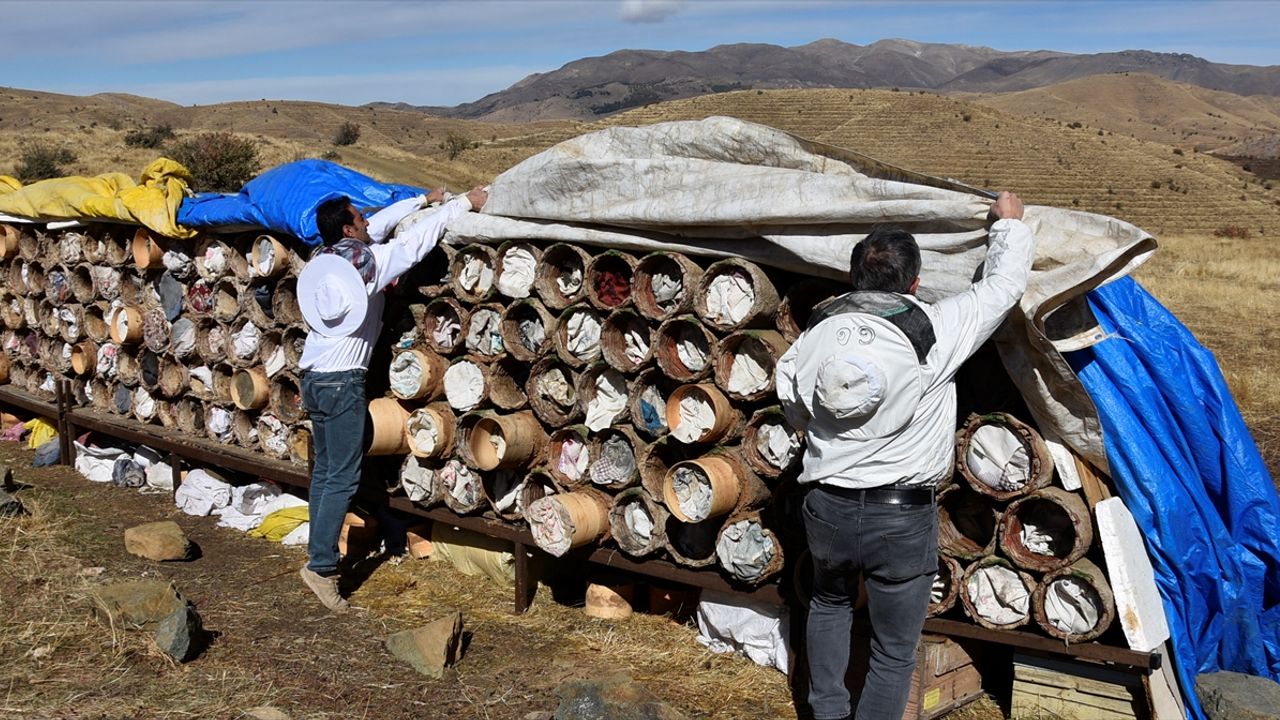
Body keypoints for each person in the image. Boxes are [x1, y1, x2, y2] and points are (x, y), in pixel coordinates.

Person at [775, 191, 1033, 720]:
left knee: (829, 604)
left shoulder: (817, 334)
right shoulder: (936, 329)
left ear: (854, 279)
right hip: (901, 517)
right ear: (915, 282)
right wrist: (1008, 225)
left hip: (828, 506)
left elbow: (792, 400)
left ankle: (827, 714)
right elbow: (1002, 286)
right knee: (893, 650)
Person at [297, 185, 488, 611]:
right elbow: (410, 244)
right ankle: (321, 568)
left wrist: (422, 200)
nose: (368, 221)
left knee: (325, 472)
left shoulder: (327, 259)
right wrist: (462, 203)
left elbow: (378, 225)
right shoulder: (368, 266)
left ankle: (317, 556)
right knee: (341, 477)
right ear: (349, 229)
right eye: (359, 218)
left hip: (313, 377)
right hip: (342, 382)